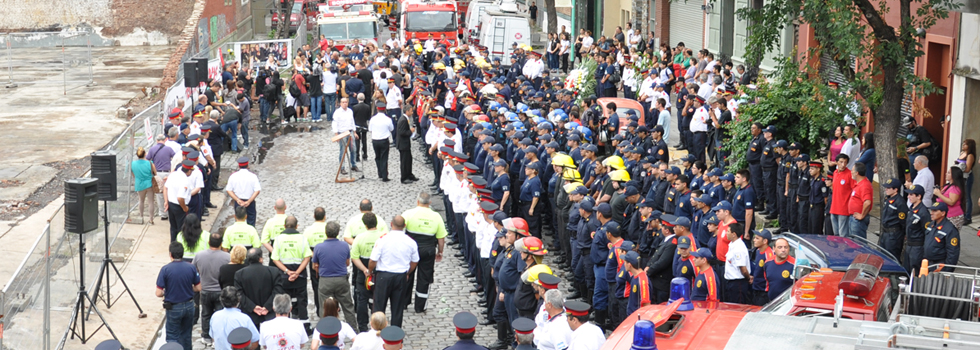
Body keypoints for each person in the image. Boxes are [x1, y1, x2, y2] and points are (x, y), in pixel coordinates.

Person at [401, 191, 448, 313]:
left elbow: (399, 228)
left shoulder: (409, 213)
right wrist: (440, 252)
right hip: (428, 250)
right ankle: (419, 306)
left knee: (407, 274)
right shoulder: (436, 217)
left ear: (418, 201)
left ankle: (404, 302)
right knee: (424, 278)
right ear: (430, 202)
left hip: (411, 250)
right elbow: (441, 238)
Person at [369, 215, 419, 327]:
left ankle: (378, 330)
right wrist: (408, 273)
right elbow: (415, 261)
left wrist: (370, 271)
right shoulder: (411, 242)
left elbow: (373, 260)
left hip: (383, 276)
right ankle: (395, 335)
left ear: (391, 224)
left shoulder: (382, 240)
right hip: (400, 276)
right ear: (404, 226)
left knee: (379, 307)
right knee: (397, 308)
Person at [156, 242, 201, 350]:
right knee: (186, 336)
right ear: (182, 253)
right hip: (189, 306)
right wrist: (187, 288)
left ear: (170, 254)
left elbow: (158, 292)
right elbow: (198, 288)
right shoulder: (191, 268)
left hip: (174, 308)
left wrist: (167, 292)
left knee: (172, 337)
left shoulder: (165, 269)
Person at [270, 216, 313, 329]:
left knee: (285, 299)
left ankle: (286, 325)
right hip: (300, 275)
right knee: (301, 299)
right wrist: (297, 273)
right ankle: (305, 325)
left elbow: (275, 259)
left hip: (284, 275)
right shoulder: (302, 238)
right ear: (297, 226)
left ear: (284, 226)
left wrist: (287, 271)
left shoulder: (278, 239)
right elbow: (307, 257)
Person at [312, 220, 357, 328]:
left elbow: (314, 266)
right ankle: (354, 329)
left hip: (325, 281)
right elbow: (347, 263)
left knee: (324, 306)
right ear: (338, 232)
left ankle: (325, 330)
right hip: (341, 279)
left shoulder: (318, 247)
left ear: (325, 232)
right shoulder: (344, 246)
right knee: (348, 306)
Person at [351, 213, 386, 332]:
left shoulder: (359, 238)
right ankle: (378, 324)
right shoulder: (384, 236)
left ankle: (362, 326)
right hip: (379, 272)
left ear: (365, 225)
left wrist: (365, 270)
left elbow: (355, 257)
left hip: (364, 272)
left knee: (362, 299)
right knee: (378, 299)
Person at [193, 232, 231, 346]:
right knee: (219, 314)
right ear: (221, 243)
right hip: (220, 290)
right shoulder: (227, 257)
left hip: (205, 290)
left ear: (209, 242)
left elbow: (193, 269)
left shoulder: (199, 255)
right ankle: (217, 338)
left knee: (205, 314)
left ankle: (206, 336)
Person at [235, 248, 285, 329]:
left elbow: (239, 294)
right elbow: (278, 291)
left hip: (250, 314)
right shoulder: (273, 271)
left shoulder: (239, 274)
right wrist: (267, 307)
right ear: (260, 259)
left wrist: (253, 307)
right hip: (269, 314)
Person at [924, 202, 961, 272]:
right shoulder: (931, 225)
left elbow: (953, 253)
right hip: (927, 263)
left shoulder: (950, 229)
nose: (931, 213)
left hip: (939, 266)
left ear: (943, 213)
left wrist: (947, 270)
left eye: (935, 211)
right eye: (931, 211)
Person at [226, 156, 261, 226]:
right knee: (251, 221)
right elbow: (257, 190)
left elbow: (228, 190)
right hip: (249, 202)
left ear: (239, 166)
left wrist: (237, 200)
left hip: (238, 202)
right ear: (248, 165)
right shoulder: (253, 176)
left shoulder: (233, 176)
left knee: (239, 221)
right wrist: (249, 201)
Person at [165, 160, 194, 242]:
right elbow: (180, 198)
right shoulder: (185, 181)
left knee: (173, 227)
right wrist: (185, 208)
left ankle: (173, 245)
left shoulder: (173, 174)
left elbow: (165, 187)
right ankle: (180, 246)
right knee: (181, 229)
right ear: (189, 171)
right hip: (179, 207)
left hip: (171, 204)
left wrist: (166, 201)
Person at [879, 178, 908, 260]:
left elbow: (903, 220)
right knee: (883, 255)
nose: (886, 190)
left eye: (889, 188)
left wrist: (903, 233)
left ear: (895, 189)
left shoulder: (900, 202)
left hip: (894, 234)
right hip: (885, 232)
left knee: (892, 256)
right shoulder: (887, 198)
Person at [903, 185, 928, 273]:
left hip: (917, 247)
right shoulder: (912, 209)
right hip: (909, 245)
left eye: (911, 194)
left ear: (919, 196)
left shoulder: (923, 212)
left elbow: (927, 232)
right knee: (906, 269)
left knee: (914, 270)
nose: (908, 196)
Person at [369, 100, 395, 181]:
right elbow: (392, 128)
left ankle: (380, 173)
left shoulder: (373, 119)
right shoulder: (388, 119)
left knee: (377, 157)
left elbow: (370, 129)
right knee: (384, 158)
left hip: (375, 140)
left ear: (377, 109)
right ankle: (384, 175)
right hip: (384, 140)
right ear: (384, 109)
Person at [847, 162, 873, 239]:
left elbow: (867, 202)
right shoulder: (859, 184)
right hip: (854, 218)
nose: (851, 172)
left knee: (858, 242)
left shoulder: (864, 185)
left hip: (858, 220)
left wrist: (862, 215)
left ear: (857, 173)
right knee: (853, 241)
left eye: (852, 170)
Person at [333, 97, 360, 173]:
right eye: (343, 102)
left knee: (353, 149)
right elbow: (334, 124)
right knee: (343, 151)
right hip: (342, 133)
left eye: (346, 102)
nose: (345, 104)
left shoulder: (350, 111)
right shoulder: (337, 112)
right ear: (340, 103)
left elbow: (352, 122)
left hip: (350, 132)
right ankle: (342, 167)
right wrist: (336, 134)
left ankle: (354, 165)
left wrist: (354, 132)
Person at [829, 154, 853, 237]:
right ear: (836, 162)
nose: (843, 165)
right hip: (834, 208)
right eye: (841, 162)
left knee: (843, 235)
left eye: (845, 162)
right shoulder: (835, 173)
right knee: (836, 234)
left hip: (844, 209)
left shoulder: (850, 174)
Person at [748, 229, 774, 306]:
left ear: (765, 241)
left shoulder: (769, 255)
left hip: (764, 291)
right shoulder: (758, 250)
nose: (754, 240)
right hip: (756, 287)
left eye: (757, 238)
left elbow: (771, 275)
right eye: (754, 238)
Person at [132, 146, 157, 224]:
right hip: (149, 184)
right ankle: (151, 219)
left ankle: (141, 216)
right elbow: (155, 173)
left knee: (141, 201)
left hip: (139, 184)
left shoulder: (133, 163)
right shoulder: (150, 163)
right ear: (145, 154)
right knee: (151, 202)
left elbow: (132, 174)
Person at [623, 251, 650, 316]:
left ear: (629, 265)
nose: (624, 265)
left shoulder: (642, 280)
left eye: (625, 262)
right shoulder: (634, 276)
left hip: (637, 319)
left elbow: (646, 305)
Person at [395, 108, 418, 184]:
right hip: (403, 144)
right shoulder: (403, 120)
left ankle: (409, 174)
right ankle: (404, 177)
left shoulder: (405, 119)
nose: (412, 112)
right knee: (404, 161)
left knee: (409, 160)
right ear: (407, 111)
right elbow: (402, 132)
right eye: (411, 111)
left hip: (405, 144)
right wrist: (410, 131)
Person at [958, 139, 976, 225]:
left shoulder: (970, 155)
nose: (963, 145)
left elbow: (968, 169)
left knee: (967, 196)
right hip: (960, 177)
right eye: (963, 143)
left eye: (966, 144)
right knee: (961, 196)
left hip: (967, 177)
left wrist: (960, 168)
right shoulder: (962, 153)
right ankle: (962, 214)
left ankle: (968, 217)